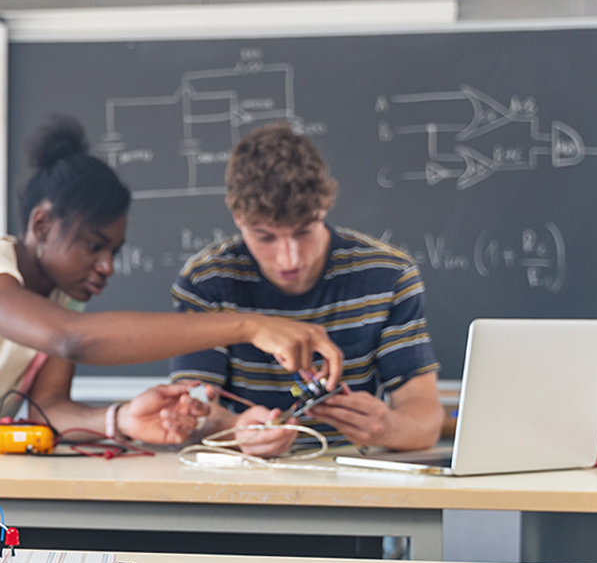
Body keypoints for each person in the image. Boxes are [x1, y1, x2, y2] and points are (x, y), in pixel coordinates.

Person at [0, 116, 342, 445]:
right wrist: (248, 325)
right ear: (41, 225)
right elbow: (72, 339)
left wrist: (123, 419)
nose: (107, 265)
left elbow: (51, 409)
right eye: (94, 245)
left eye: (114, 250)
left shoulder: (61, 302)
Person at [170, 121, 442, 456]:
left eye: (304, 231)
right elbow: (189, 414)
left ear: (324, 209)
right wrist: (234, 430)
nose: (289, 259)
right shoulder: (206, 280)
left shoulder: (388, 275)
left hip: (352, 478)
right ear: (237, 218)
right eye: (265, 237)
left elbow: (425, 416)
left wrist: (388, 427)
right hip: (239, 481)